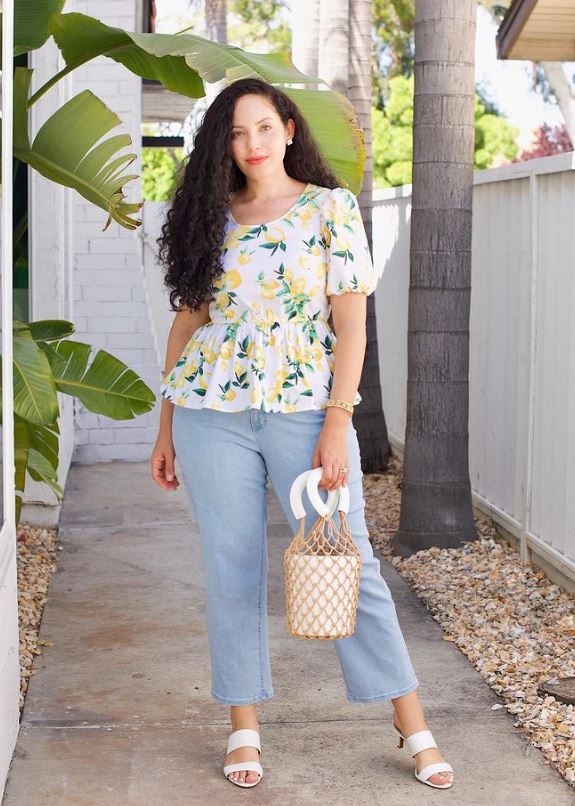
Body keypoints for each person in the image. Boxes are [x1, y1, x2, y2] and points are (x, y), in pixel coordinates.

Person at [150, 76, 454, 791]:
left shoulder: (329, 208)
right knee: (230, 566)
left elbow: (351, 324)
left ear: (288, 129)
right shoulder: (212, 218)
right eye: (235, 133)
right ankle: (243, 726)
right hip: (210, 413)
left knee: (352, 563)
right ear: (222, 146)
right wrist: (164, 429)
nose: (250, 144)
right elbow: (187, 326)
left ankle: (412, 723)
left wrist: (337, 421)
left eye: (263, 127)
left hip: (306, 411)